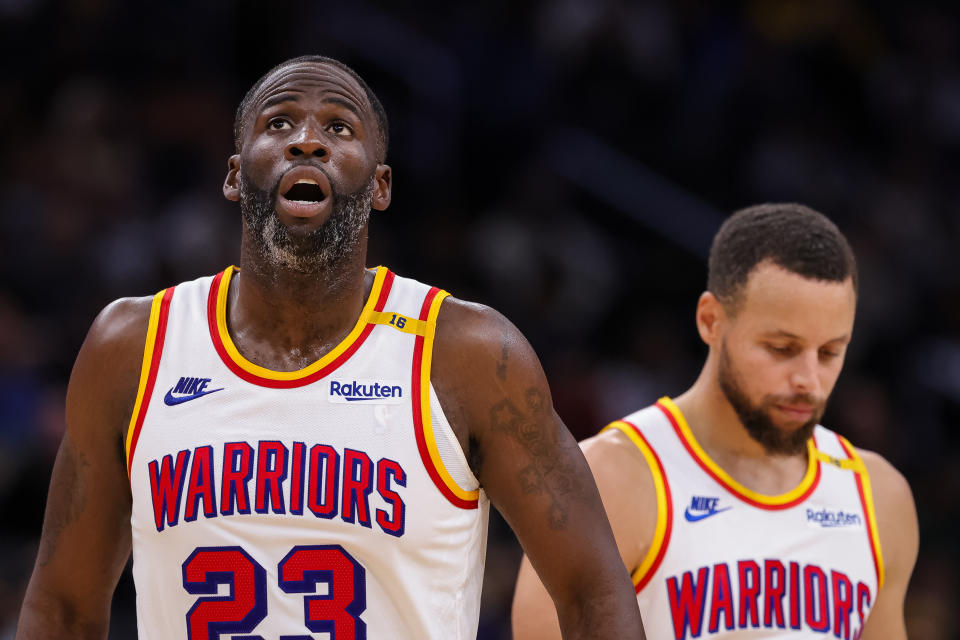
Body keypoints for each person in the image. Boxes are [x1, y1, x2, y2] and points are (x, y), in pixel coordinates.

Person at [16, 55, 644, 639]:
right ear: (235, 175)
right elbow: (63, 605)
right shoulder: (133, 347)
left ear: (380, 185)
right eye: (279, 122)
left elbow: (593, 590)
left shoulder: (469, 355)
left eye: (340, 127)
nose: (307, 140)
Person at [512, 204, 918, 639]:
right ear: (710, 320)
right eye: (782, 348)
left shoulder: (879, 497)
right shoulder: (608, 481)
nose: (809, 380)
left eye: (830, 352)